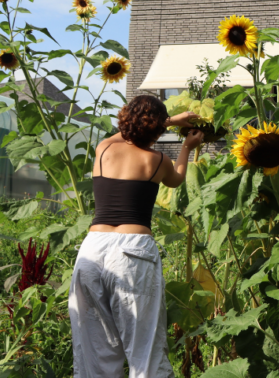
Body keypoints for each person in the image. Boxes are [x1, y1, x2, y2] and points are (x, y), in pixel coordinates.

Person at [68, 95, 203, 377]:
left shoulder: (105, 148)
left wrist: (165, 121)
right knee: (145, 348)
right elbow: (177, 179)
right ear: (157, 129)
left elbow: (131, 130)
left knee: (93, 349)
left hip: (92, 249)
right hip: (133, 250)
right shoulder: (157, 160)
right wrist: (187, 146)